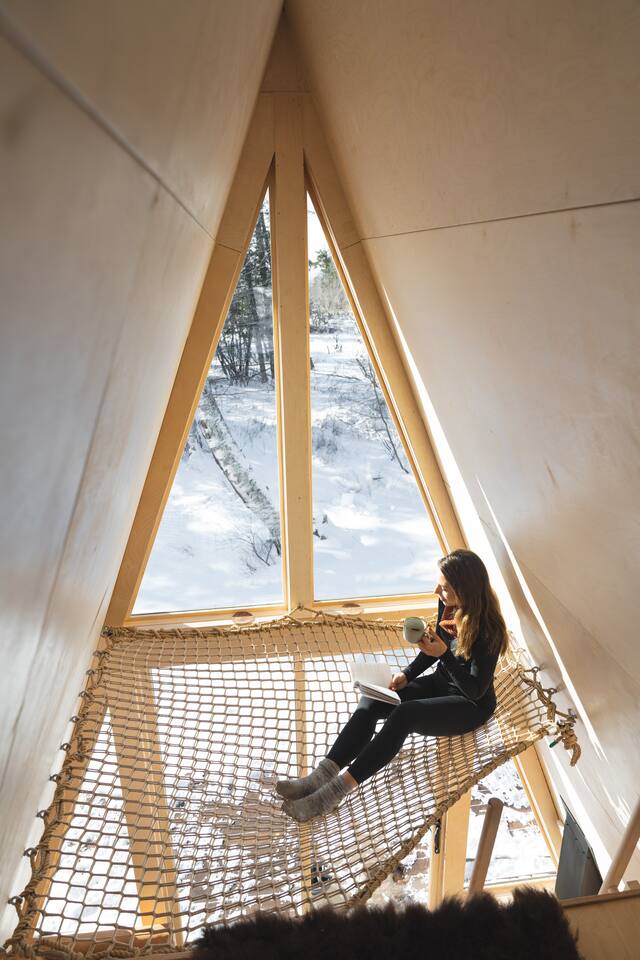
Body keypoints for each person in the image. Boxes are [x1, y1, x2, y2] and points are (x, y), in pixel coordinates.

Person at [277, 549, 509, 822]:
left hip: (470, 705)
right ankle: (318, 779)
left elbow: (475, 689)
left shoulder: (489, 630)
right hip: (442, 683)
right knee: (375, 700)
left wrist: (444, 656)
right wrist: (407, 674)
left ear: (465, 590)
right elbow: (434, 648)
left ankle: (331, 795)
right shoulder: (448, 607)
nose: (437, 591)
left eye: (445, 588)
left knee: (404, 715)